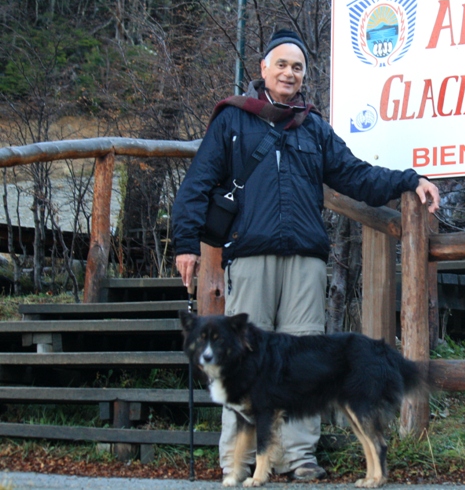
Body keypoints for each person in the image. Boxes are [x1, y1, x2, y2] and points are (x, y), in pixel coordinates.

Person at [172, 28, 440, 484]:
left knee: (306, 365)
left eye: (297, 67)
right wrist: (185, 244)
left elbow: (355, 175)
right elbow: (197, 183)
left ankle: (300, 458)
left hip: (306, 262)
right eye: (281, 64)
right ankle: (235, 463)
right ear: (263, 69)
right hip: (251, 257)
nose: (289, 74)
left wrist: (408, 179)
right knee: (241, 363)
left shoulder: (313, 127)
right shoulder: (232, 121)